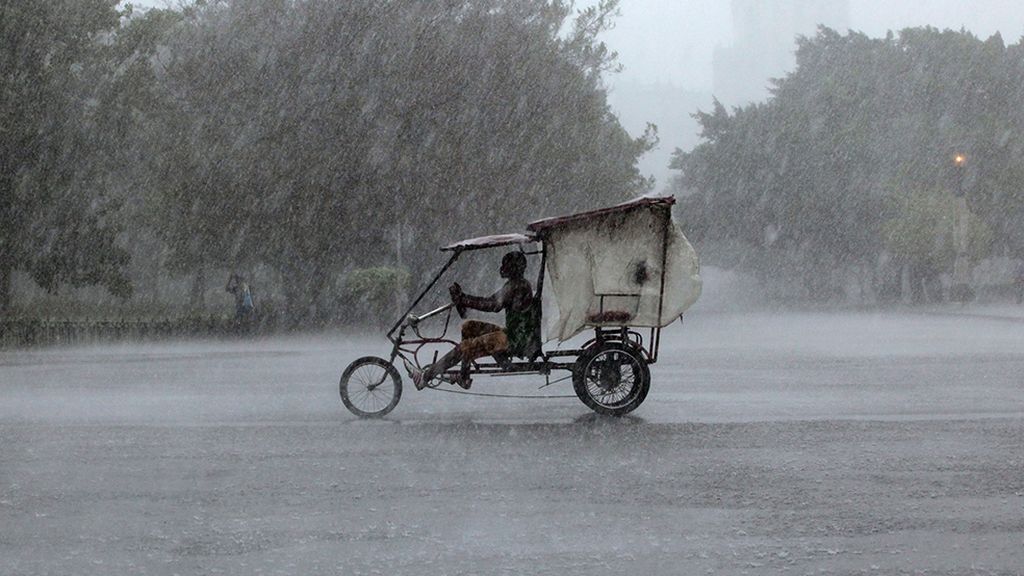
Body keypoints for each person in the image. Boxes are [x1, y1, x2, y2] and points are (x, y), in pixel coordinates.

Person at [412, 251, 537, 390]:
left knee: (465, 347)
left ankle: (426, 377)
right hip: (515, 335)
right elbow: (491, 301)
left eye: (505, 265)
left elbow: (492, 305)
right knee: (469, 326)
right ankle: (464, 375)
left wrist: (464, 299)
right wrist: (464, 298)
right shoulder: (516, 284)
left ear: (514, 267)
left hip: (515, 340)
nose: (502, 268)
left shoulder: (516, 286)